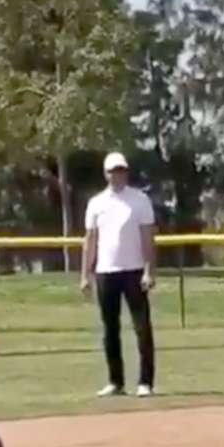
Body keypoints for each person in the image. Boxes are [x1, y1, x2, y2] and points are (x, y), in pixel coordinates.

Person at [81, 152, 157, 398]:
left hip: (134, 271)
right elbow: (90, 240)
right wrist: (85, 274)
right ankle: (116, 381)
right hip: (106, 272)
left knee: (142, 327)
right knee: (109, 329)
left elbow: (148, 237)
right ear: (106, 174)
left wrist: (149, 269)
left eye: (122, 170)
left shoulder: (140, 200)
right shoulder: (96, 203)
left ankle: (145, 382)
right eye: (113, 171)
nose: (118, 175)